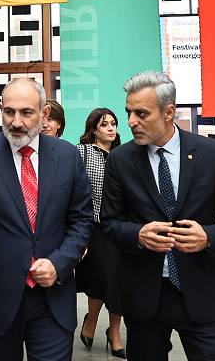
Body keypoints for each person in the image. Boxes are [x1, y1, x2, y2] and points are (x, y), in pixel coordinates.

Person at [100, 71, 215, 361]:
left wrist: (209, 236)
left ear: (169, 112)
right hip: (145, 297)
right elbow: (109, 223)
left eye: (141, 113)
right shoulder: (120, 160)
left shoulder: (213, 154)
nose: (131, 122)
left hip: (202, 293)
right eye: (129, 112)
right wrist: (138, 235)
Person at [0, 78, 93, 361]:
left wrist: (59, 262)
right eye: (9, 112)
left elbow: (82, 222)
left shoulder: (67, 157)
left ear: (45, 114)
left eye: (26, 112)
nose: (16, 122)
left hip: (53, 299)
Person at [75, 108, 125, 358]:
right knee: (98, 281)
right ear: (93, 128)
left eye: (114, 124)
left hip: (120, 228)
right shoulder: (80, 152)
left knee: (119, 283)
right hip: (92, 227)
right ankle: (92, 319)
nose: (110, 128)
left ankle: (114, 333)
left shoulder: (124, 154)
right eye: (105, 124)